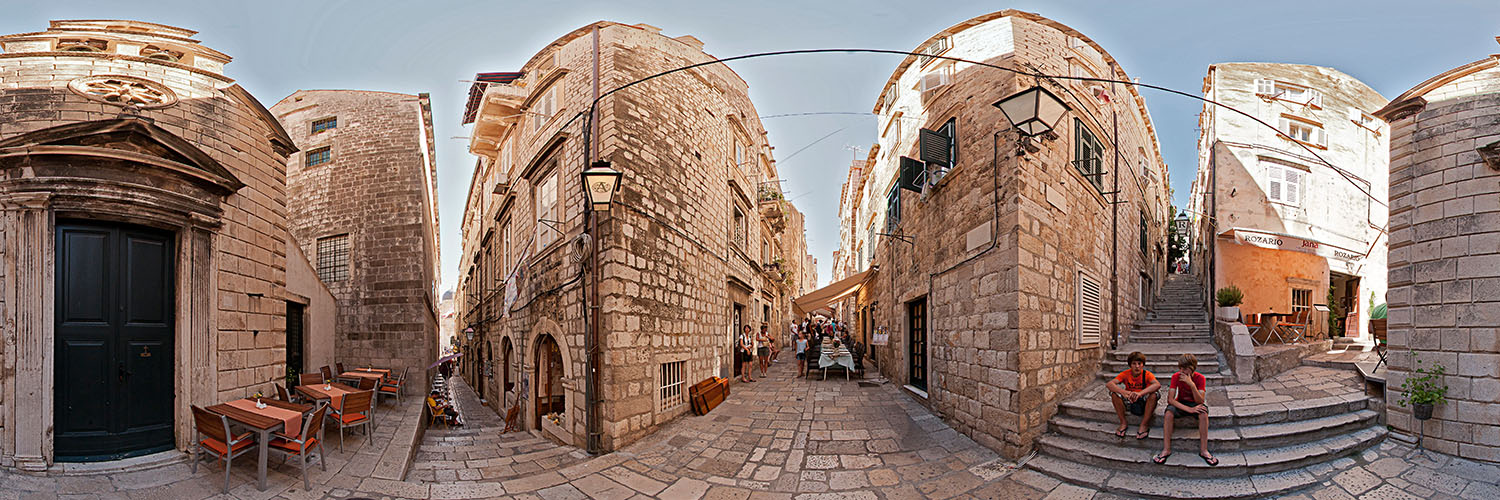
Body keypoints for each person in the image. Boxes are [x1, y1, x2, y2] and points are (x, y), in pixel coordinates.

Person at [1155, 353, 1216, 466]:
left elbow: (1200, 401)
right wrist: (1189, 409)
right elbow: (1171, 400)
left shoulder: (1200, 378)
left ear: (1192, 368)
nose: (1182, 371)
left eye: (1185, 369)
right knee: (1168, 413)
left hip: (1194, 403)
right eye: (1181, 368)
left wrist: (1192, 385)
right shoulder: (1176, 377)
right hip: (1181, 403)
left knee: (1203, 413)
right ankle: (1166, 449)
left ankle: (1204, 450)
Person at [1107, 351, 1160, 439]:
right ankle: (1123, 423)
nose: (1137, 366)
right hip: (1129, 399)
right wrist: (1124, 392)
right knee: (1114, 393)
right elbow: (1109, 384)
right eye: (1134, 364)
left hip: (1142, 400)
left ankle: (1144, 424)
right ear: (1130, 365)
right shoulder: (1125, 374)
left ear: (1143, 365)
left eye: (1139, 363)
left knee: (1154, 394)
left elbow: (1157, 385)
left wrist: (1140, 393)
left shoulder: (1147, 374)